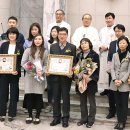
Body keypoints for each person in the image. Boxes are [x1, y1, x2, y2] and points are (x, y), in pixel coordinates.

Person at [48, 27, 76, 128]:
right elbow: (50, 61)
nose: (62, 36)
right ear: (57, 35)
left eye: (64, 34)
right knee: (55, 98)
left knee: (65, 98)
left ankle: (65, 118)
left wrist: (71, 72)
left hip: (66, 78)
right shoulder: (53, 46)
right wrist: (48, 70)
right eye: (60, 34)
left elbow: (75, 63)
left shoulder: (72, 47)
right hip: (54, 78)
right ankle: (56, 117)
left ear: (67, 35)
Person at [21, 34, 48, 125]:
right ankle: (29, 115)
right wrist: (33, 70)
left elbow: (46, 64)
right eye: (36, 39)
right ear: (33, 40)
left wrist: (42, 71)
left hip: (40, 77)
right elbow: (23, 62)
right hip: (29, 76)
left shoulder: (45, 51)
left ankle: (37, 116)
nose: (37, 40)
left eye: (39, 39)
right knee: (29, 96)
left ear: (42, 40)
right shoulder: (28, 50)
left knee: (38, 96)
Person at [0, 27, 24, 122]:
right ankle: (1, 113)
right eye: (10, 34)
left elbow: (21, 61)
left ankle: (12, 113)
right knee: (2, 93)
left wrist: (17, 70)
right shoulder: (3, 45)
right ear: (8, 35)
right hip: (3, 74)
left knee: (14, 93)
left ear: (16, 35)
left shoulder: (20, 46)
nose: (12, 35)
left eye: (14, 33)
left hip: (14, 74)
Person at [76, 38, 100, 128]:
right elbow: (75, 67)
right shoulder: (79, 55)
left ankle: (91, 120)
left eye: (85, 43)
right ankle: (83, 119)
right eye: (82, 43)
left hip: (91, 82)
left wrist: (89, 78)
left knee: (91, 101)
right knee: (82, 101)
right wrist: (78, 77)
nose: (83, 45)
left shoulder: (95, 55)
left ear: (89, 44)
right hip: (81, 81)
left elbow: (97, 69)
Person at [110, 36, 130, 130]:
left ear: (127, 44)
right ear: (118, 44)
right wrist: (114, 79)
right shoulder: (114, 55)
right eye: (120, 43)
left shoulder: (129, 55)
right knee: (117, 103)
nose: (121, 44)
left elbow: (129, 71)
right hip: (114, 83)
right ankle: (119, 121)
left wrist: (121, 81)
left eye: (123, 43)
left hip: (124, 83)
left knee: (124, 104)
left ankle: (123, 122)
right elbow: (112, 68)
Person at [106, 24, 126, 119]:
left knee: (122, 94)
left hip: (124, 74)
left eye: (119, 31)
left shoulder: (127, 43)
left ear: (123, 32)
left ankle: (121, 114)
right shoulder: (112, 43)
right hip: (112, 72)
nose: (117, 33)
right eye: (116, 31)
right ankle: (112, 111)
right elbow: (109, 57)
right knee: (112, 92)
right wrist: (109, 69)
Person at [99, 12, 116, 96]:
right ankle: (106, 88)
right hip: (103, 53)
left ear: (113, 19)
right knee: (104, 71)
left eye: (110, 18)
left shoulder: (116, 29)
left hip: (112, 53)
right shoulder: (102, 29)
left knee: (111, 70)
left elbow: (116, 41)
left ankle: (111, 89)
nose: (108, 20)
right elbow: (99, 40)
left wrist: (108, 47)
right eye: (107, 18)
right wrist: (100, 47)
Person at [44, 26, 60, 113]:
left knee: (57, 87)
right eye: (52, 31)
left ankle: (56, 104)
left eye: (55, 31)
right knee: (50, 87)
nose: (54, 33)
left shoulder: (61, 43)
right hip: (49, 67)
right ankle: (50, 104)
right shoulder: (47, 43)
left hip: (59, 68)